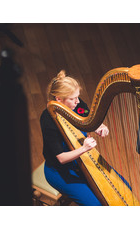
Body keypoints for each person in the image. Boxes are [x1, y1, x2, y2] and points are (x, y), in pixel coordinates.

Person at [40, 70, 109, 206]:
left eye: (77, 97)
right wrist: (84, 148)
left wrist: (99, 127)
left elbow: (87, 118)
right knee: (96, 206)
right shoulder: (48, 120)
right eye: (72, 99)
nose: (78, 101)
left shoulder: (76, 104)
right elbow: (61, 158)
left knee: (125, 187)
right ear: (59, 99)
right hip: (60, 172)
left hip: (81, 161)